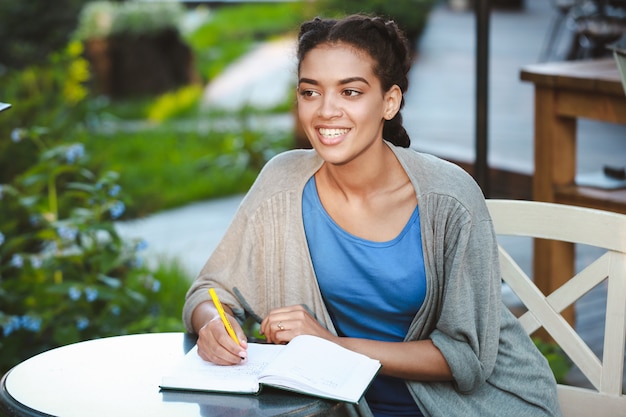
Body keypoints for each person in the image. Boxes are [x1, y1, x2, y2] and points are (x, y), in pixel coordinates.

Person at [183, 14, 562, 417]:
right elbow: (210, 291)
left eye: (350, 92)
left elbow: (466, 359)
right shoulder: (282, 182)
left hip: (467, 406)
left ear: (389, 101)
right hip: (335, 404)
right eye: (311, 92)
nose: (326, 111)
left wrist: (329, 345)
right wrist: (213, 325)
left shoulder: (449, 200)